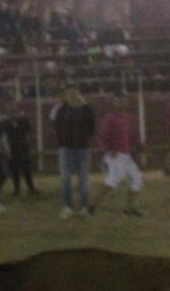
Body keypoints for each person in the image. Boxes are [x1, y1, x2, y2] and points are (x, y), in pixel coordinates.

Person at [92, 95, 145, 216]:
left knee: (137, 180)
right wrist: (108, 149)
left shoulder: (129, 118)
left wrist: (141, 148)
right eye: (118, 102)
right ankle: (92, 207)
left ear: (127, 103)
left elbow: (133, 136)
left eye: (122, 101)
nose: (121, 104)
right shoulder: (110, 119)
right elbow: (102, 136)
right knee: (112, 183)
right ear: (114, 104)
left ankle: (129, 209)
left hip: (126, 156)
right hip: (116, 155)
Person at [52, 84, 96, 218]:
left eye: (74, 93)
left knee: (83, 179)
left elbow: (92, 127)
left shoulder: (87, 109)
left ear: (79, 94)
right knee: (66, 178)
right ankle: (67, 206)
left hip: (82, 149)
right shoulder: (62, 110)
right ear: (65, 96)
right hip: (67, 148)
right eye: (69, 93)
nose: (72, 96)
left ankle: (83, 207)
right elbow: (57, 128)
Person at [0, 104, 38, 198]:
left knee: (25, 169)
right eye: (11, 110)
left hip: (21, 146)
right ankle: (18, 188)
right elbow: (2, 136)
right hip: (13, 147)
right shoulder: (5, 121)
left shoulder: (22, 120)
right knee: (15, 170)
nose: (13, 112)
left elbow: (28, 132)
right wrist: (5, 149)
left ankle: (29, 188)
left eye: (14, 109)